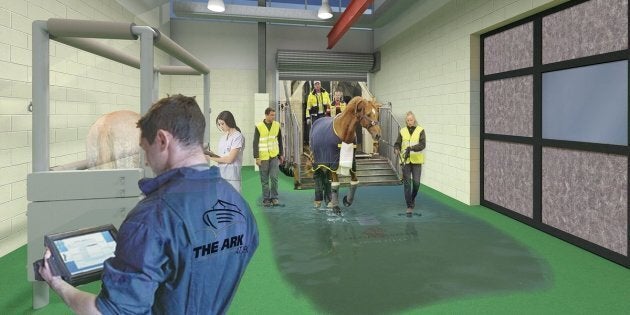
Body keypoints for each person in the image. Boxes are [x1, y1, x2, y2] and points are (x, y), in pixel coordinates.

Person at [38, 94, 259, 314]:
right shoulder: (239, 205)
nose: (145, 160)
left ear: (162, 140)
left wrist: (56, 282)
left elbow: (107, 312)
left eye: (145, 148)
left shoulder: (152, 218)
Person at [394, 111, 426, 216]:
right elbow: (397, 143)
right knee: (407, 184)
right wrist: (396, 148)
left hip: (417, 161)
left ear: (414, 120)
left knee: (416, 184)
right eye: (407, 120)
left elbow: (422, 145)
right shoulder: (402, 131)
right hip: (405, 161)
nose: (409, 122)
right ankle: (409, 206)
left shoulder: (421, 130)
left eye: (411, 120)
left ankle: (412, 199)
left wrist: (411, 148)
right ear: (406, 121)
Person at [206, 110, 245, 193]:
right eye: (219, 124)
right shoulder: (223, 137)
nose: (221, 126)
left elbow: (229, 159)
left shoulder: (238, 136)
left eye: (222, 124)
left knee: (233, 202)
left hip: (232, 177)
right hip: (222, 174)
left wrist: (210, 158)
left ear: (229, 122)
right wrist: (212, 154)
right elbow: (222, 156)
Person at [253, 107, 284, 207]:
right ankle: (266, 199)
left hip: (274, 156)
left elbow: (279, 141)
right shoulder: (259, 126)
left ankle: (274, 198)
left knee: (274, 178)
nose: (273, 117)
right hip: (263, 157)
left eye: (274, 115)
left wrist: (281, 154)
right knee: (264, 180)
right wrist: (257, 157)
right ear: (266, 115)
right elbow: (255, 143)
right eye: (271, 115)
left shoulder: (276, 125)